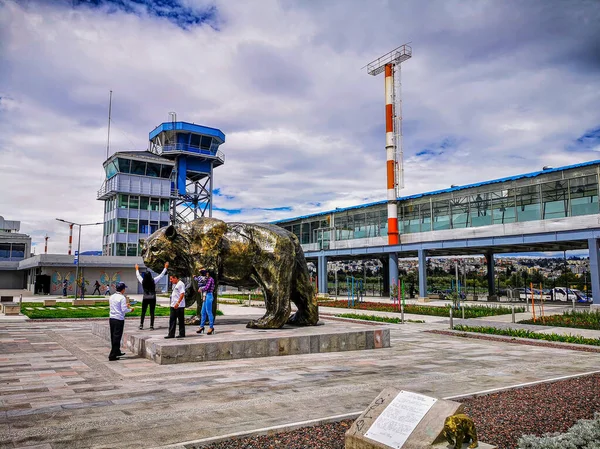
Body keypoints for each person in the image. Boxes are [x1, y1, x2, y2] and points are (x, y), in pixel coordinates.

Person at [135, 262, 169, 330]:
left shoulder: (143, 281)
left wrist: (136, 269)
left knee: (143, 311)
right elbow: (161, 275)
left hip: (145, 298)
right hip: (152, 298)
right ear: (150, 276)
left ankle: (141, 325)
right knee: (152, 312)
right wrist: (165, 267)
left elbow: (138, 276)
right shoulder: (153, 281)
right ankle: (151, 326)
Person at [108, 282, 134, 361]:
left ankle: (117, 351)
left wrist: (125, 305)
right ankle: (112, 355)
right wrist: (130, 310)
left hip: (112, 318)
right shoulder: (122, 298)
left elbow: (115, 306)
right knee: (117, 336)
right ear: (123, 289)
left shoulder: (112, 296)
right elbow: (123, 310)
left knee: (113, 336)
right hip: (119, 319)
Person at [165, 274, 186, 339]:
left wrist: (178, 302)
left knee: (180, 320)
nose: (171, 281)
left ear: (176, 278)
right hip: (173, 304)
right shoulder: (174, 285)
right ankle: (171, 334)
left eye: (171, 279)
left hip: (179, 306)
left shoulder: (180, 284)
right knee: (172, 320)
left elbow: (182, 294)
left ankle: (182, 333)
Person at [196, 269, 215, 335]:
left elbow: (207, 287)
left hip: (209, 295)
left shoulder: (211, 279)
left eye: (207, 273)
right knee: (202, 312)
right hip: (205, 295)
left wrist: (201, 289)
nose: (206, 274)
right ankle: (201, 326)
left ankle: (211, 327)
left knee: (208, 311)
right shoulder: (206, 279)